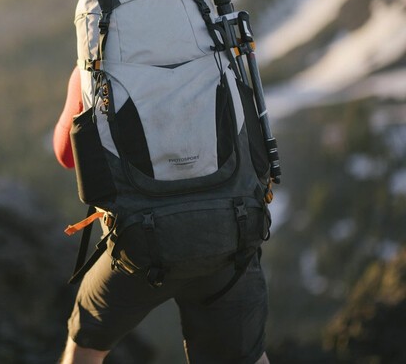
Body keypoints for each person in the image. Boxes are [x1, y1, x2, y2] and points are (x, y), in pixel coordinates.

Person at [53, 67, 271, 364]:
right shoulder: (215, 45)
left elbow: (66, 155)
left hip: (139, 244)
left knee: (84, 345)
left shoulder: (96, 62)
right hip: (229, 234)